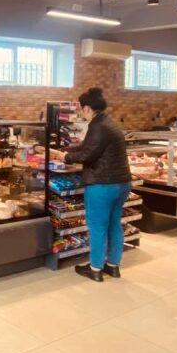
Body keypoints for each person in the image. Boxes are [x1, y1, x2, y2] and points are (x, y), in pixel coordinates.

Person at [51, 88, 132, 282]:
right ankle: (113, 266)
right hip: (122, 182)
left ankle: (95, 268)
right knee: (114, 223)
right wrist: (64, 149)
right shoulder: (108, 122)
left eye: (81, 109)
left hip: (103, 184)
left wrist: (65, 157)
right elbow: (88, 146)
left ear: (87, 108)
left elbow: (87, 155)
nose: (81, 112)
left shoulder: (98, 126)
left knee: (97, 226)